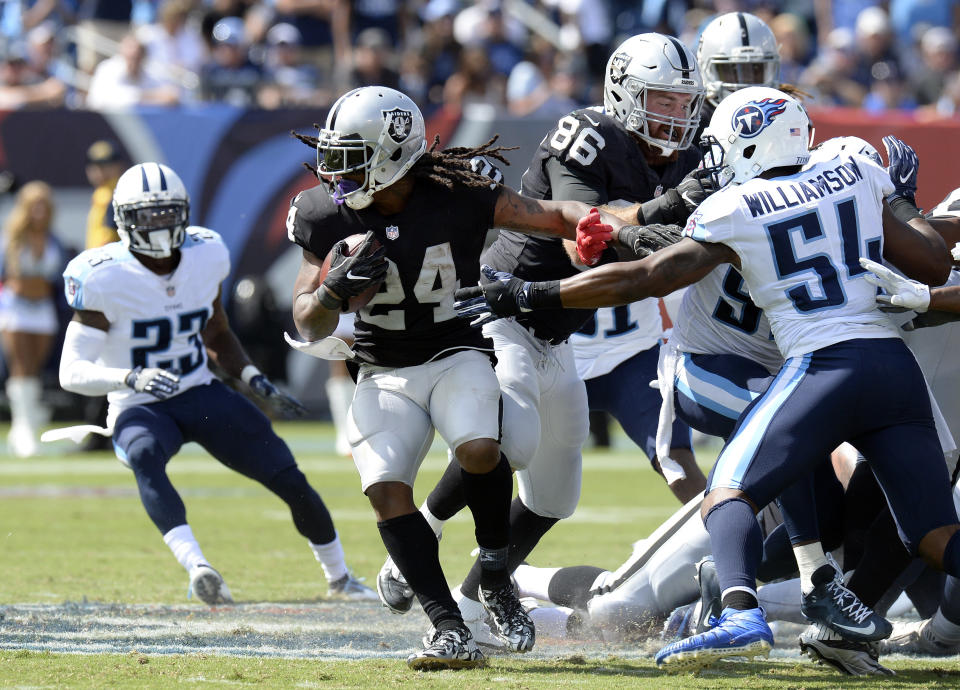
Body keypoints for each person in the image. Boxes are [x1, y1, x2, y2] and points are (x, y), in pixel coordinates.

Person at [454, 85, 960, 673]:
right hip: (835, 371)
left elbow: (643, 277)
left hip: (813, 373)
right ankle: (792, 586)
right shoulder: (856, 182)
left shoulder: (739, 206)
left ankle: (752, 604)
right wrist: (901, 205)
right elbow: (933, 258)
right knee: (932, 534)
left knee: (731, 491)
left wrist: (529, 291)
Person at [375, 32, 711, 647]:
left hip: (560, 334)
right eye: (660, 101)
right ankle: (417, 538)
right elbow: (578, 239)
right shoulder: (589, 137)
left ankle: (479, 597)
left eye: (683, 103)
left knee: (556, 494)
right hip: (503, 306)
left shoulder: (691, 157)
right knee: (515, 438)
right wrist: (668, 208)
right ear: (623, 95)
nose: (675, 117)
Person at [286, 85, 619, 670]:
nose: (336, 170)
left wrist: (593, 225)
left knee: (482, 447)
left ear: (393, 153)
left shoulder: (458, 196)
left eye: (352, 154)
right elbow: (307, 322)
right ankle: (446, 626)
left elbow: (544, 215)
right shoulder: (322, 213)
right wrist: (333, 291)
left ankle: (494, 578)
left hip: (454, 351)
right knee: (386, 490)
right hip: (382, 368)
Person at [57, 162, 376, 606]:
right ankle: (198, 567)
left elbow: (218, 331)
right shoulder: (102, 274)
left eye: (168, 213)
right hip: (139, 403)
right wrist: (129, 376)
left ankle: (340, 577)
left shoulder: (206, 253)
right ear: (124, 219)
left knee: (286, 474)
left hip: (199, 389)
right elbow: (70, 371)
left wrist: (250, 376)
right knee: (146, 454)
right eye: (148, 215)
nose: (160, 224)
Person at [0, 181, 66, 457]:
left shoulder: (54, 241)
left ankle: (22, 426)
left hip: (42, 309)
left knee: (35, 368)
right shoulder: (11, 239)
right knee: (21, 366)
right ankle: (24, 426)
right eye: (34, 205)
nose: (39, 211)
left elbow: (58, 276)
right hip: (15, 309)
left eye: (44, 205)